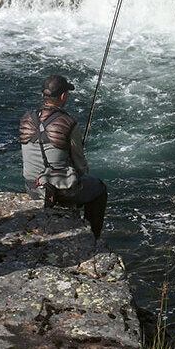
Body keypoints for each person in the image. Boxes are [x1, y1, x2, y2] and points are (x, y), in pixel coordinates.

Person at [20, 74, 108, 239]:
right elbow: (80, 165)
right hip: (57, 191)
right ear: (63, 96)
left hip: (31, 187)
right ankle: (93, 238)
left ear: (43, 95)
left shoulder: (26, 118)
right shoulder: (69, 122)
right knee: (99, 189)